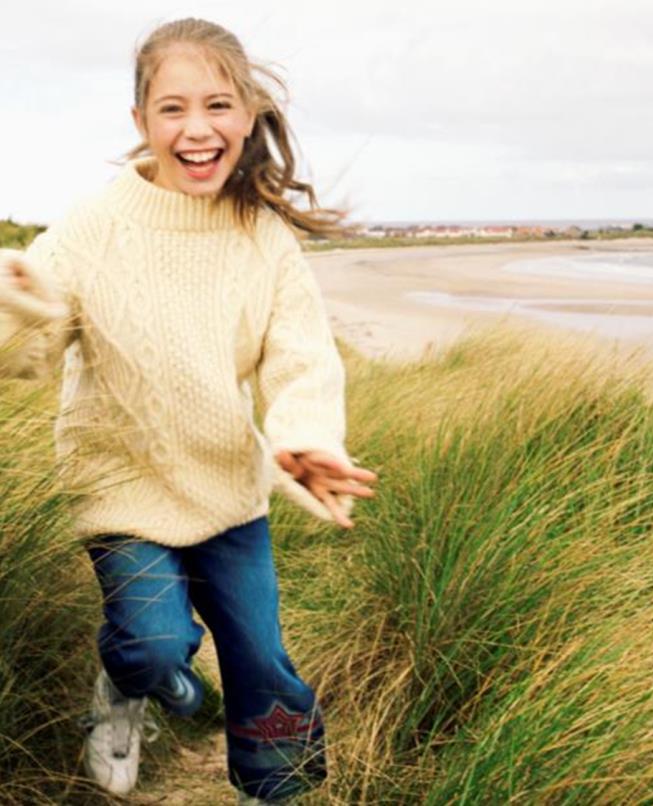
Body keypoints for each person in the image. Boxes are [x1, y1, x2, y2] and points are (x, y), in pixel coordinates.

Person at [0, 17, 377, 804]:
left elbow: (299, 357)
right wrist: (16, 311)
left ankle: (278, 789)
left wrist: (304, 439)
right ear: (141, 122)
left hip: (228, 491)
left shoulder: (262, 238)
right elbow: (29, 361)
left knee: (260, 661)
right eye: (172, 109)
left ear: (246, 115)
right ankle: (125, 683)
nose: (197, 129)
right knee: (156, 643)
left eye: (217, 105)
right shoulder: (92, 228)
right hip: (120, 485)